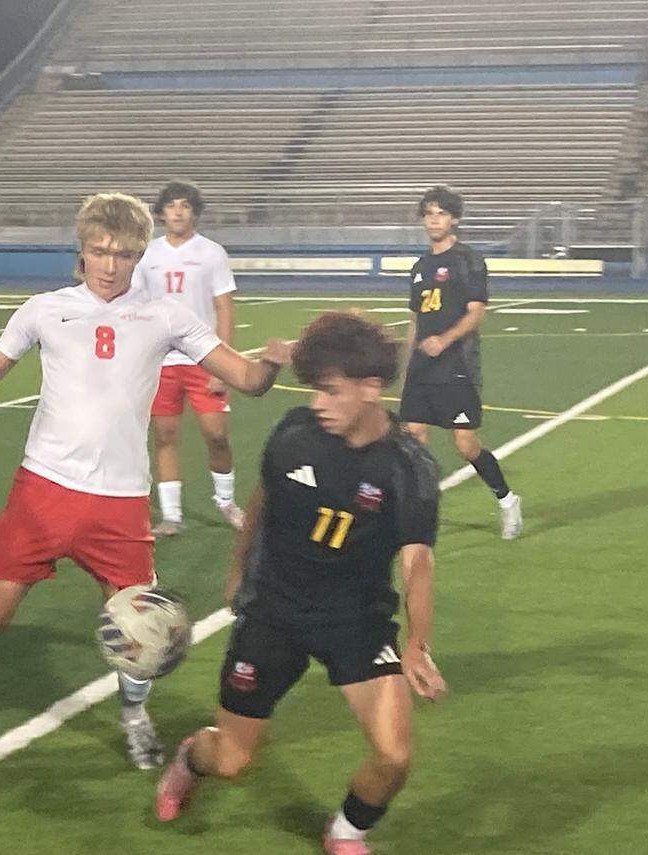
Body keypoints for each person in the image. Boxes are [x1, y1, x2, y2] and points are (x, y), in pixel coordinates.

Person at [0, 192, 292, 783]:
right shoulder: (45, 309)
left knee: (142, 638)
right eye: (100, 251)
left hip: (121, 506)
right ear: (82, 250)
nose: (110, 264)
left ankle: (133, 711)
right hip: (42, 493)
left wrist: (273, 360)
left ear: (139, 256)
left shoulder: (166, 315)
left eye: (124, 254)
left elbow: (248, 379)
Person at [154, 311, 448, 855]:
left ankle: (345, 832)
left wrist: (414, 641)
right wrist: (238, 567)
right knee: (232, 760)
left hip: (356, 621)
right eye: (314, 390)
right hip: (274, 613)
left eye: (331, 392)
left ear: (370, 389)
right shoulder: (294, 433)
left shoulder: (408, 468)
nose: (318, 403)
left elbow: (417, 562)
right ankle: (191, 756)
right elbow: (264, 501)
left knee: (394, 755)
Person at [401, 185, 522, 539]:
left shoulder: (468, 261)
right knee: (413, 439)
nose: (434, 220)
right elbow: (414, 320)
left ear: (454, 219)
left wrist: (445, 339)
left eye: (440, 214)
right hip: (421, 370)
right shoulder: (420, 267)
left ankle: (507, 500)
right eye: (428, 214)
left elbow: (476, 314)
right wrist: (406, 364)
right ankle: (419, 511)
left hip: (457, 366)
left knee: (465, 445)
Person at [132, 180, 243, 535]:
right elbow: (134, 306)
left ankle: (225, 501)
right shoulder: (146, 253)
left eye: (185, 205)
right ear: (161, 212)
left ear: (194, 211)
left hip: (202, 358)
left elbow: (223, 307)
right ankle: (172, 515)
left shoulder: (212, 252)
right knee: (164, 435)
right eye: (172, 205)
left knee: (216, 434)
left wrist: (222, 363)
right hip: (160, 359)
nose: (178, 211)